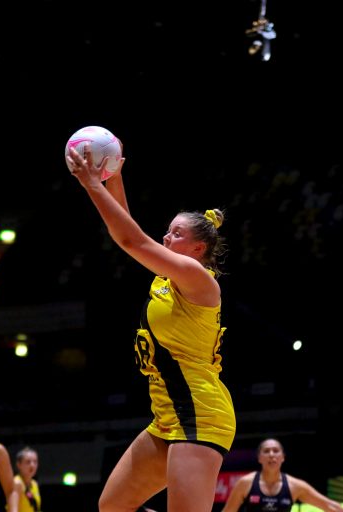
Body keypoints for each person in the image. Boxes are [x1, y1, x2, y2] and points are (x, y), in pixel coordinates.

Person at [67, 139, 235, 512]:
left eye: (176, 234)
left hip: (200, 415)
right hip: (167, 416)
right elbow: (125, 231)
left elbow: (131, 238)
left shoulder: (197, 278)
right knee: (112, 506)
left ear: (197, 249)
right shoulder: (166, 278)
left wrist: (92, 184)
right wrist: (114, 176)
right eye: (167, 231)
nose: (166, 237)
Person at [221, 438, 343, 512]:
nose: (271, 454)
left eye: (276, 451)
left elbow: (329, 505)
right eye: (266, 451)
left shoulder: (295, 486)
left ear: (282, 457)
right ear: (259, 458)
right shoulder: (245, 483)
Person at [14, 447, 41, 512]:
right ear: (19, 465)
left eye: (35, 462)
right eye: (28, 462)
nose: (32, 465)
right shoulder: (16, 484)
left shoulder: (34, 484)